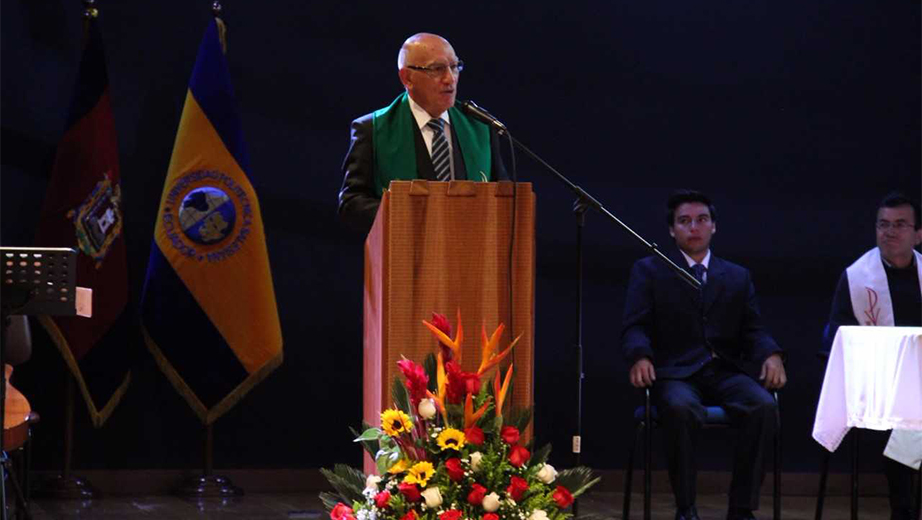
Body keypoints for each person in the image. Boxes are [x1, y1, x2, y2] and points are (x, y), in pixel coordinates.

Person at [621, 189, 787, 520]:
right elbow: (634, 326)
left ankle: (741, 508)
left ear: (714, 226)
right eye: (684, 221)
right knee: (681, 408)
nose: (693, 227)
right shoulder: (650, 270)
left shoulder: (737, 276)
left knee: (763, 406)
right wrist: (640, 355)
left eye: (701, 220)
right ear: (672, 230)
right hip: (675, 373)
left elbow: (753, 329)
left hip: (724, 370)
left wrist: (771, 354)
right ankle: (687, 507)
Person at [337, 33, 507, 234]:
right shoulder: (372, 129)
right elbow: (351, 203)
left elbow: (504, 195)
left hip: (473, 255)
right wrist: (407, 219)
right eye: (437, 69)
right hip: (406, 256)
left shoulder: (480, 126)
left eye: (454, 67)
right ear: (407, 77)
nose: (450, 79)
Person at [823, 192, 922, 520]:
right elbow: (837, 337)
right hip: (877, 382)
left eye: (900, 225)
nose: (890, 232)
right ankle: (904, 509)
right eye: (883, 224)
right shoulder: (857, 278)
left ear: (918, 235)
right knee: (910, 414)